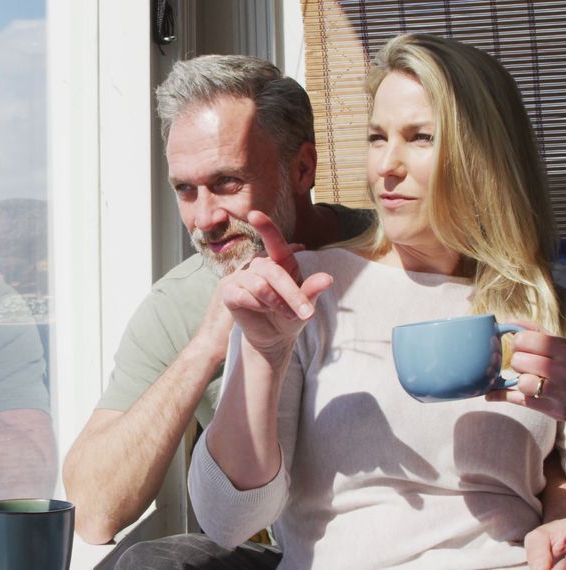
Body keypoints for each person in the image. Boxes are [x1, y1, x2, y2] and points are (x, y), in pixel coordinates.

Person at [179, 34, 566, 568]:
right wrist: (262, 352)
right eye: (377, 137)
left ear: (485, 156)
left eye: (419, 138)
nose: (386, 166)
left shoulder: (552, 315)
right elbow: (227, 520)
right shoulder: (309, 292)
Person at [62, 55, 374, 544]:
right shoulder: (180, 302)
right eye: (185, 190)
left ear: (302, 168)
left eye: (227, 182)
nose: (204, 218)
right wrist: (208, 343)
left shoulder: (396, 251)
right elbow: (94, 512)